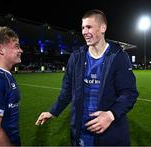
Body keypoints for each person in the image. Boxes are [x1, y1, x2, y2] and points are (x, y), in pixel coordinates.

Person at [35, 9, 138, 146]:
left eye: (89, 27)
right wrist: (53, 111)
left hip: (109, 131)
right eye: (83, 27)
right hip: (81, 131)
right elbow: (67, 91)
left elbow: (129, 93)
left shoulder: (118, 57)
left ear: (103, 28)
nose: (84, 32)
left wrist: (110, 115)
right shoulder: (76, 57)